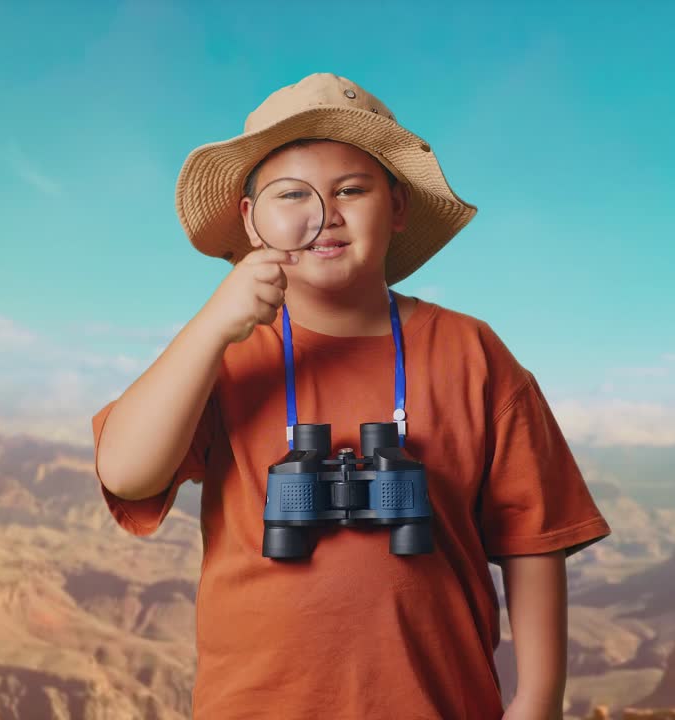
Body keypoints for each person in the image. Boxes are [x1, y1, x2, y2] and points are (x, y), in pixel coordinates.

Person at [90, 73, 610, 720]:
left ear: (396, 209)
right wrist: (211, 328)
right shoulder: (222, 355)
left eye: (352, 190)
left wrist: (536, 700)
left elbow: (533, 539)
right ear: (252, 222)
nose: (325, 213)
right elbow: (126, 473)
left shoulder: (472, 352)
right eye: (292, 195)